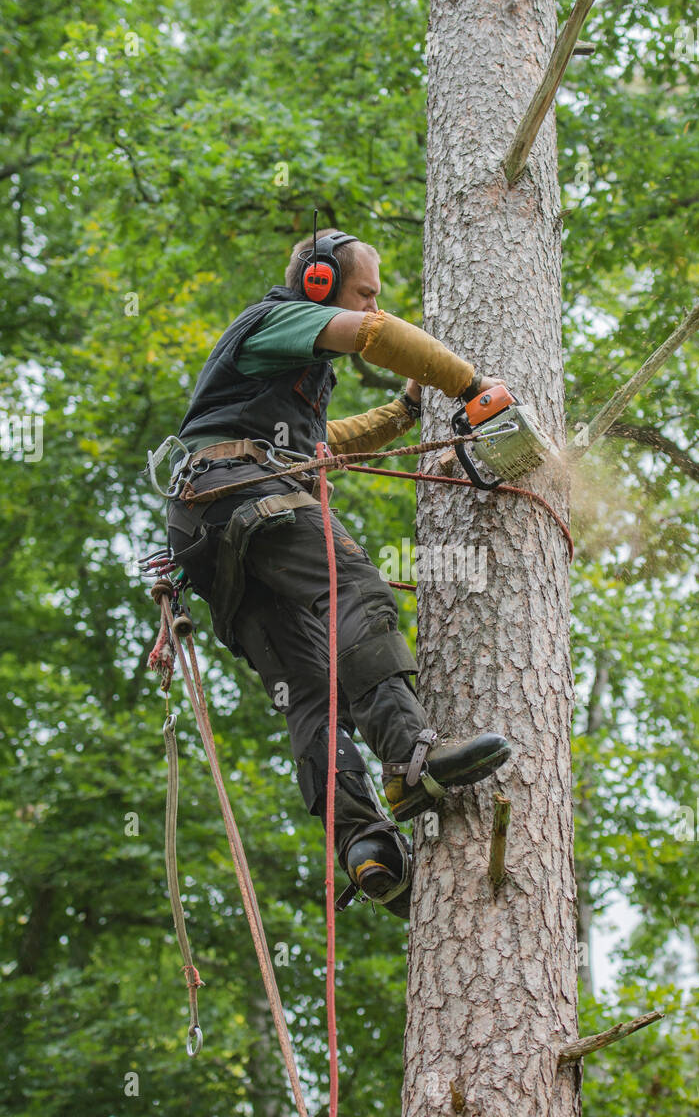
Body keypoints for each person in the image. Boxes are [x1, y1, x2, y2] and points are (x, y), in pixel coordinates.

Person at [164, 228, 511, 920]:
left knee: (312, 691)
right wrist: (473, 387)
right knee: (353, 587)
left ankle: (366, 844)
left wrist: (410, 410)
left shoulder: (275, 389)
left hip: (207, 534)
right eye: (366, 289)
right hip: (239, 489)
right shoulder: (279, 318)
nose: (373, 303)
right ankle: (411, 756)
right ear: (318, 281)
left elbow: (330, 443)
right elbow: (375, 337)